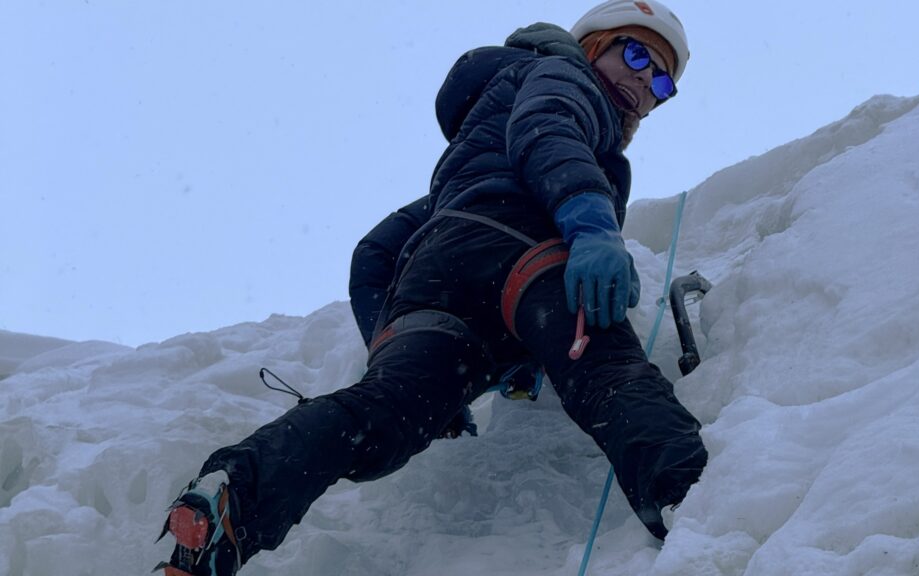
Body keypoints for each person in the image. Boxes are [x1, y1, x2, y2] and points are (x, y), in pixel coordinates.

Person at [155, 2, 707, 574]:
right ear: (593, 46)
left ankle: (233, 501)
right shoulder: (563, 78)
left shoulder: (470, 154)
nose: (645, 78)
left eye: (662, 80)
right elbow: (548, 129)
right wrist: (591, 222)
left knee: (382, 414)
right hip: (527, 249)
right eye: (635, 53)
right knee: (605, 372)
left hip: (437, 267)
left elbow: (374, 253)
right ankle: (701, 508)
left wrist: (396, 352)